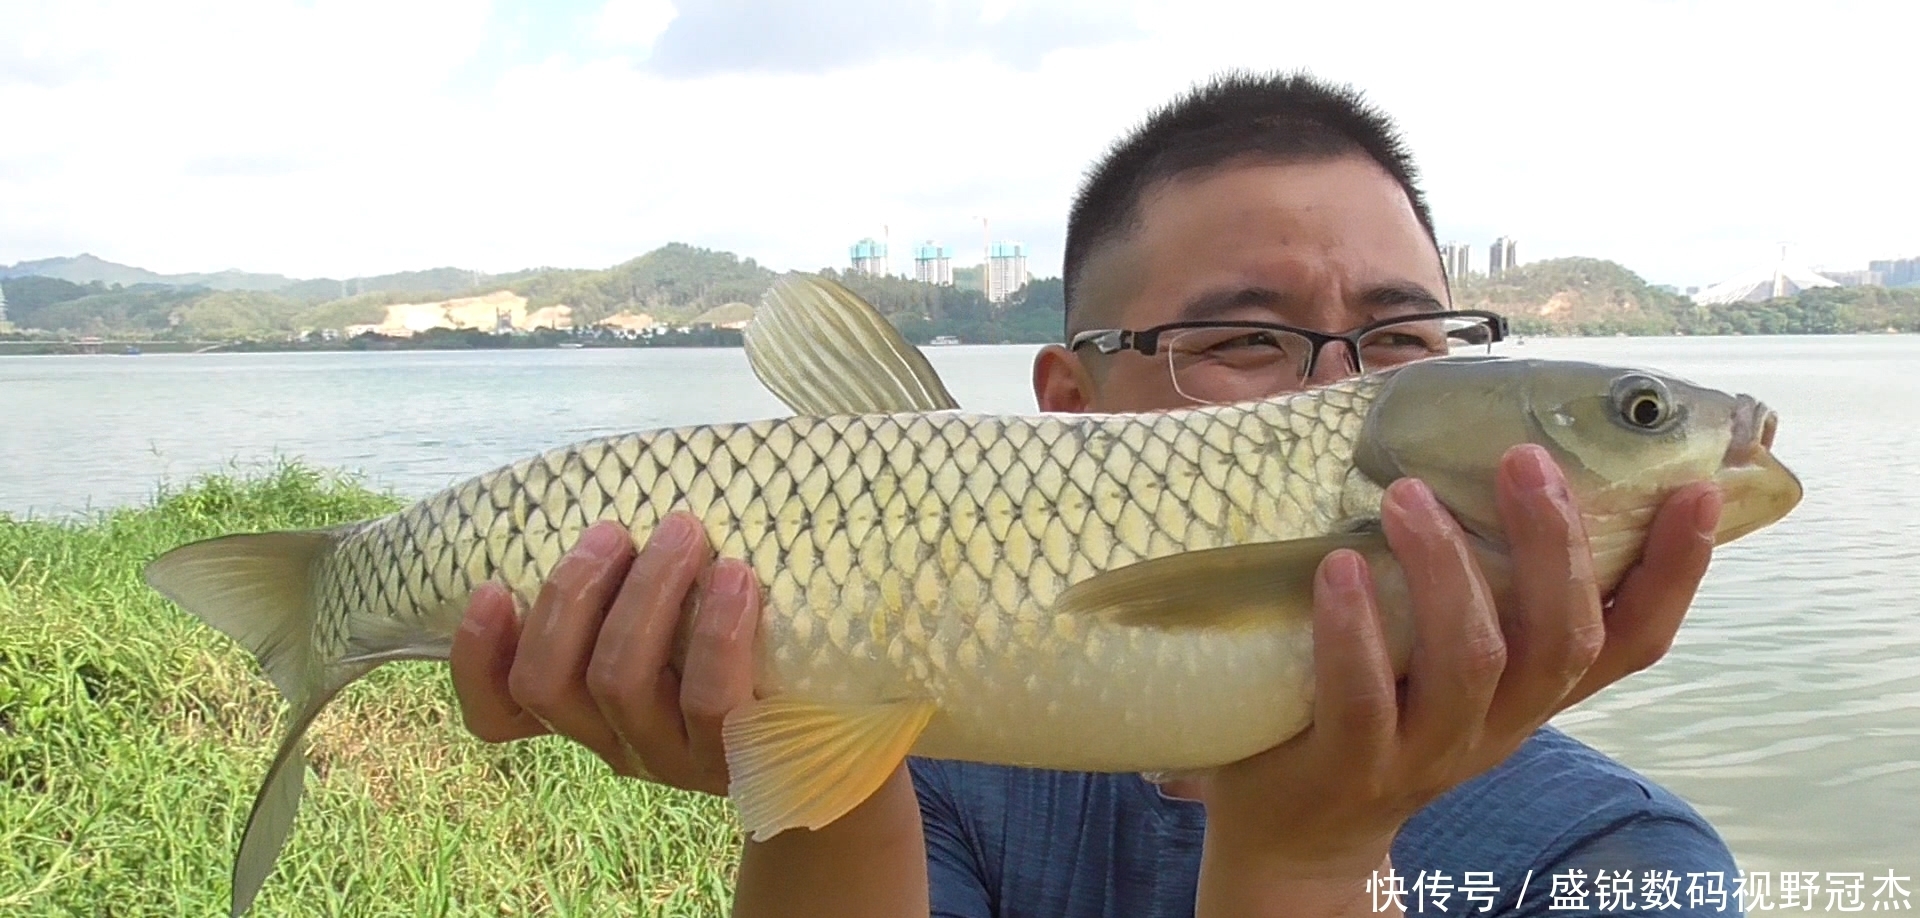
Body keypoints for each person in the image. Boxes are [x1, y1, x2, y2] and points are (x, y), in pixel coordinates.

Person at [447, 72, 1737, 917]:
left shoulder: (1612, 861)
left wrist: (1314, 857)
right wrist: (797, 784)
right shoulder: (950, 763)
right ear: (1067, 405)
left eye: (1400, 344)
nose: (1336, 397)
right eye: (1241, 340)